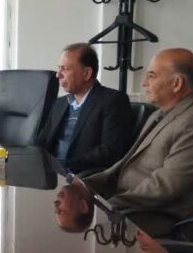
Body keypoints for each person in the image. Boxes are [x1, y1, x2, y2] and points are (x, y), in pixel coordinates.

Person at [82, 48, 193, 237]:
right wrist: (82, 187)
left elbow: (164, 187)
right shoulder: (160, 113)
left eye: (151, 76)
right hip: (127, 205)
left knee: (71, 230)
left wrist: (106, 205)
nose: (144, 83)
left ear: (176, 83)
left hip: (154, 218)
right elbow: (124, 164)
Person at [39, 43, 134, 174]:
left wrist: (65, 167)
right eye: (58, 68)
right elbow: (42, 141)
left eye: (64, 69)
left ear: (86, 73)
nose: (58, 75)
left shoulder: (113, 100)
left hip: (82, 176)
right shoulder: (59, 103)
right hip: (51, 173)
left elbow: (110, 150)